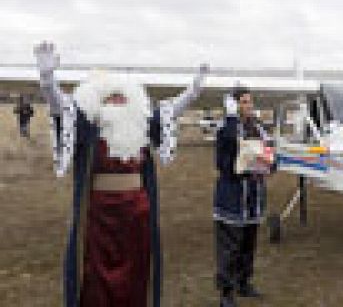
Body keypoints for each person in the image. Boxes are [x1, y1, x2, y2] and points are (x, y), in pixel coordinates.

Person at [35, 41, 208, 307]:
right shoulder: (87, 124)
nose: (117, 101)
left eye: (121, 96)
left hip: (137, 212)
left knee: (136, 272)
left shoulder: (139, 124)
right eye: (110, 97)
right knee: (95, 275)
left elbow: (169, 112)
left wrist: (192, 93)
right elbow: (60, 108)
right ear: (98, 100)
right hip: (98, 213)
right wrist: (48, 80)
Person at [213, 86, 274, 307]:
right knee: (230, 246)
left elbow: (270, 152)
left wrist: (269, 162)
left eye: (250, 101)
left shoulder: (257, 128)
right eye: (244, 102)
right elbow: (229, 143)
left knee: (248, 244)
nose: (249, 106)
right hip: (232, 195)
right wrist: (230, 116)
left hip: (253, 196)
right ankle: (226, 293)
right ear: (234, 105)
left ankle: (243, 282)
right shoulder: (226, 127)